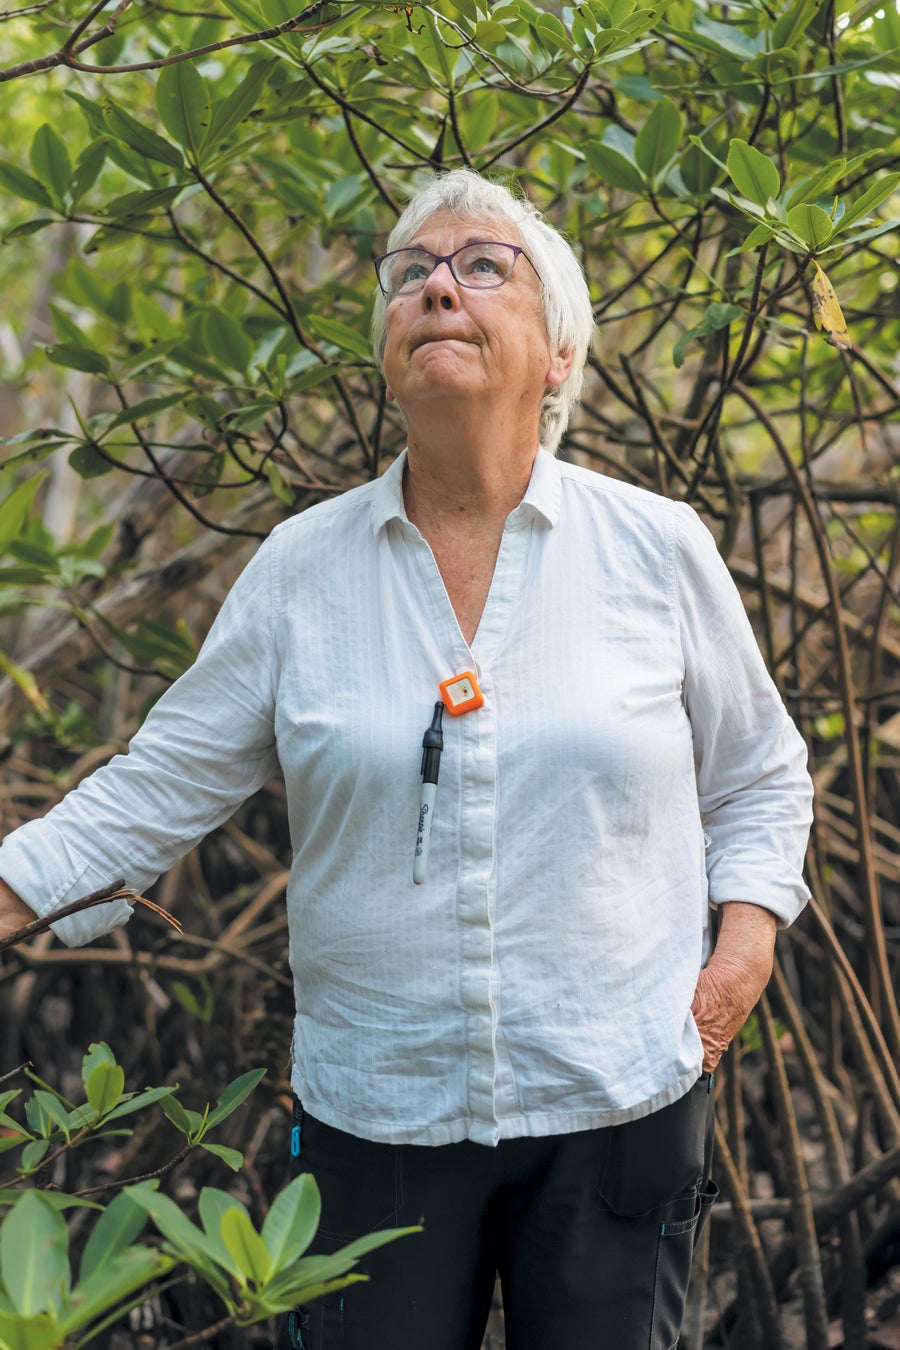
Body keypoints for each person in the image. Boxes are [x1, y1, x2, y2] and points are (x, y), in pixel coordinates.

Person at [0, 169, 813, 1350]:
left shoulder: (657, 547)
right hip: (374, 1110)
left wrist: (738, 958)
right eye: (410, 272)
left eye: (485, 265)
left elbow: (760, 773)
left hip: (623, 1096)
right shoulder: (298, 570)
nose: (438, 284)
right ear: (386, 345)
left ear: (561, 357)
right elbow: (153, 789)